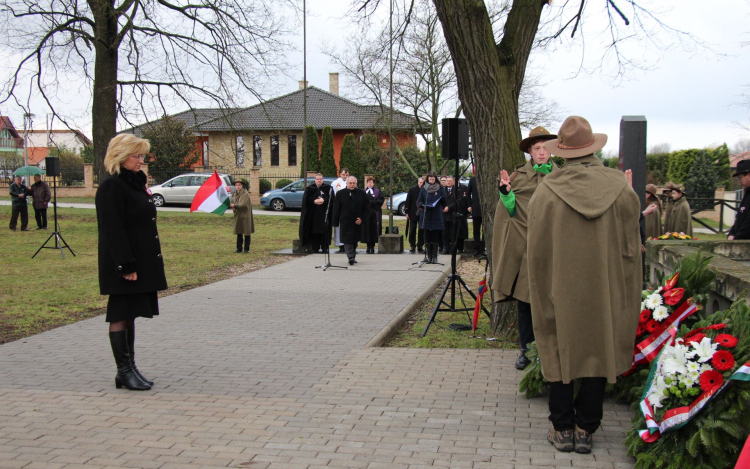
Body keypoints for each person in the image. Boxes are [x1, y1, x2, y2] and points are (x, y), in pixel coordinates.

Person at [527, 116, 641, 454]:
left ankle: (562, 428)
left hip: (560, 286)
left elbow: (537, 250)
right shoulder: (621, 187)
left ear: (561, 151)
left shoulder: (546, 191)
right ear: (593, 148)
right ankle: (586, 428)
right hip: (604, 286)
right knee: (598, 345)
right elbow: (631, 245)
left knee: (557, 343)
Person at [96, 133, 168, 391]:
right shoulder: (111, 187)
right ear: (121, 156)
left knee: (130, 315)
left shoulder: (134, 185)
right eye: (136, 156)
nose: (141, 161)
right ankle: (124, 370)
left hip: (140, 262)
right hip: (124, 265)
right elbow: (112, 230)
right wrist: (126, 266)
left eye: (142, 156)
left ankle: (129, 368)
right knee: (120, 314)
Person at [491, 126, 557, 371]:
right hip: (527, 250)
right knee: (526, 302)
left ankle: (552, 351)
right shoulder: (518, 178)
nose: (542, 153)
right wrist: (506, 194)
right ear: (529, 151)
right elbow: (511, 215)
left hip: (554, 249)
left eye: (545, 148)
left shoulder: (563, 177)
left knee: (553, 302)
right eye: (537, 148)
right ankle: (526, 350)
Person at [332, 176, 370, 265]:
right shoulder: (340, 194)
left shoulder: (362, 193)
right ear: (347, 183)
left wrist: (362, 219)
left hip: (357, 221)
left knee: (354, 240)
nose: (352, 185)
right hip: (345, 221)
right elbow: (336, 208)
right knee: (347, 240)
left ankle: (352, 256)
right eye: (350, 183)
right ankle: (350, 257)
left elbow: (366, 208)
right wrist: (335, 221)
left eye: (354, 183)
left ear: (356, 184)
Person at [299, 173, 333, 252]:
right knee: (314, 230)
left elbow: (332, 199)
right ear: (315, 180)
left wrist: (324, 200)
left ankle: (325, 247)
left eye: (320, 179)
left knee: (324, 230)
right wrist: (314, 201)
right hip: (313, 214)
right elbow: (306, 201)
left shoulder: (328, 188)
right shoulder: (310, 189)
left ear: (322, 179)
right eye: (317, 179)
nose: (319, 180)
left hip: (324, 214)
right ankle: (315, 247)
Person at [417, 172, 447, 262]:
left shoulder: (440, 188)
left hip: (436, 213)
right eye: (430, 179)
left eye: (433, 179)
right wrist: (422, 204)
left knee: (435, 235)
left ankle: (435, 257)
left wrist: (442, 202)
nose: (431, 181)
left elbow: (444, 201)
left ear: (435, 179)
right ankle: (429, 256)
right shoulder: (424, 188)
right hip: (426, 213)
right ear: (427, 179)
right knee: (427, 235)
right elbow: (420, 201)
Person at [230, 179, 254, 253]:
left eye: (239, 185)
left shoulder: (245, 194)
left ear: (242, 185)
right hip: (238, 215)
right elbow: (234, 201)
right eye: (236, 185)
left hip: (245, 216)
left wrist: (234, 205)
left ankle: (246, 249)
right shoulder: (235, 194)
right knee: (239, 232)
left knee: (246, 232)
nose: (238, 186)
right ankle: (239, 248)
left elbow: (242, 204)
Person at [729, 160, 750, 240]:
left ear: (748, 175)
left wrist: (737, 239)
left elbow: (748, 224)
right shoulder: (747, 194)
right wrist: (731, 233)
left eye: (741, 178)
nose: (739, 181)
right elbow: (739, 217)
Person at [362, 176, 384, 254]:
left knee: (374, 229)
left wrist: (371, 202)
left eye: (371, 182)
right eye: (368, 182)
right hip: (366, 213)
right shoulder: (363, 191)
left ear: (373, 183)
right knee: (367, 229)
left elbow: (380, 201)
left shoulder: (378, 191)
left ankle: (372, 246)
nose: (369, 184)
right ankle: (368, 246)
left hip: (375, 212)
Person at [331, 168, 350, 253]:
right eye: (343, 175)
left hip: (348, 208)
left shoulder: (351, 182)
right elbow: (333, 195)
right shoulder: (335, 183)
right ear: (340, 174)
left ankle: (348, 244)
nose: (345, 176)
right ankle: (340, 245)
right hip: (339, 208)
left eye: (346, 175)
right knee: (339, 227)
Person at [404, 177, 425, 253]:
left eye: (423, 183)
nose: (421, 184)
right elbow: (408, 201)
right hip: (413, 212)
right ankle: (412, 245)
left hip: (422, 213)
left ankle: (420, 245)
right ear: (418, 182)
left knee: (421, 230)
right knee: (412, 229)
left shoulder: (425, 190)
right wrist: (407, 212)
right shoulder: (412, 189)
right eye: (420, 182)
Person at [467, 176, 483, 256]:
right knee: (476, 230)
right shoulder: (473, 179)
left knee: (485, 230)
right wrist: (469, 205)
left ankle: (484, 248)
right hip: (476, 208)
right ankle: (476, 248)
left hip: (485, 209)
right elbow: (468, 193)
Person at [441, 176, 457, 254]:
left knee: (452, 233)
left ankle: (452, 248)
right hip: (444, 215)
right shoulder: (442, 190)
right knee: (445, 233)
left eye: (450, 181)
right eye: (447, 181)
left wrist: (449, 207)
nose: (449, 182)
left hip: (452, 214)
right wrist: (444, 208)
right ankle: (445, 247)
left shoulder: (456, 190)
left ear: (453, 182)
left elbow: (458, 201)